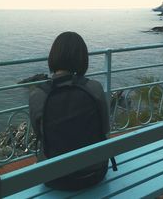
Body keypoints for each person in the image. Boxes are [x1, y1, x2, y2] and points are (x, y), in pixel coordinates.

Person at [29, 31, 110, 190]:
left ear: (53, 56)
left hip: (54, 178)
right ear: (82, 58)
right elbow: (105, 129)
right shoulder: (94, 88)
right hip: (94, 174)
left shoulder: (38, 95)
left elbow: (40, 135)